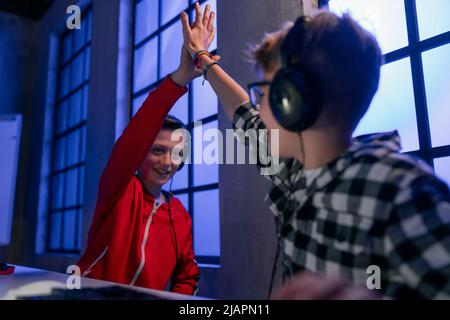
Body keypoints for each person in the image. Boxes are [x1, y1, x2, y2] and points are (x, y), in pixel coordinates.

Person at [181, 4, 450, 299]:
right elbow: (242, 112)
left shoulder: (402, 191)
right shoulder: (297, 173)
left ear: (293, 101)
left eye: (266, 93)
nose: (260, 108)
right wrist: (202, 58)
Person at [77, 4, 218, 295]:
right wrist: (180, 77)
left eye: (176, 153)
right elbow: (134, 137)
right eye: (156, 150)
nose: (167, 162)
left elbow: (187, 276)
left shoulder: (179, 215)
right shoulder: (120, 188)